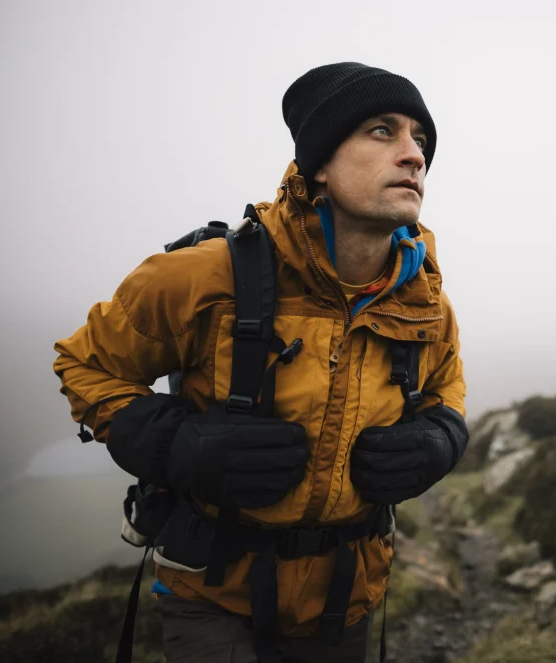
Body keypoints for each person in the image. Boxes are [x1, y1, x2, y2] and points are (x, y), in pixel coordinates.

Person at [52, 62, 468, 663]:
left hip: (346, 599)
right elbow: (87, 365)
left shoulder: (425, 301)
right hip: (212, 592)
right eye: (383, 131)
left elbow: (445, 396)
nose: (414, 156)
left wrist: (438, 441)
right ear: (320, 162)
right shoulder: (207, 274)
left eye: (420, 140)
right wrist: (178, 446)